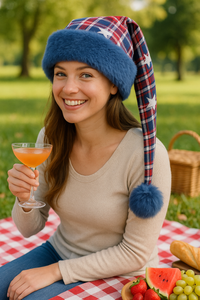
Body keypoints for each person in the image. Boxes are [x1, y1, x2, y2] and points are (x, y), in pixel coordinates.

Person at [1, 16, 171, 300]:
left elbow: (135, 252)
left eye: (86, 74)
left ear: (114, 84)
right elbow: (30, 229)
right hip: (59, 250)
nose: (68, 88)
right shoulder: (51, 137)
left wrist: (56, 271)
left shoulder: (146, 154)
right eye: (60, 73)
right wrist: (23, 197)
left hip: (120, 271)